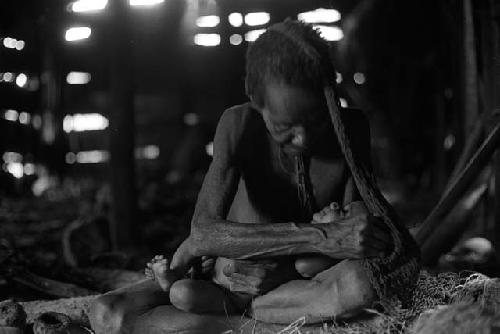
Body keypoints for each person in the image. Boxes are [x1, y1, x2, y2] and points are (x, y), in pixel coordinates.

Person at [89, 19, 419, 334]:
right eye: (284, 127)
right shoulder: (237, 125)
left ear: (329, 94)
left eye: (316, 119)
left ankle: (240, 326)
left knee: (361, 284)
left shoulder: (351, 128)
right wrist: (320, 236)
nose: (302, 139)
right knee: (107, 314)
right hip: (226, 280)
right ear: (255, 99)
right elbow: (203, 233)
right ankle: (265, 329)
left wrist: (327, 246)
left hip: (296, 287)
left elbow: (360, 229)